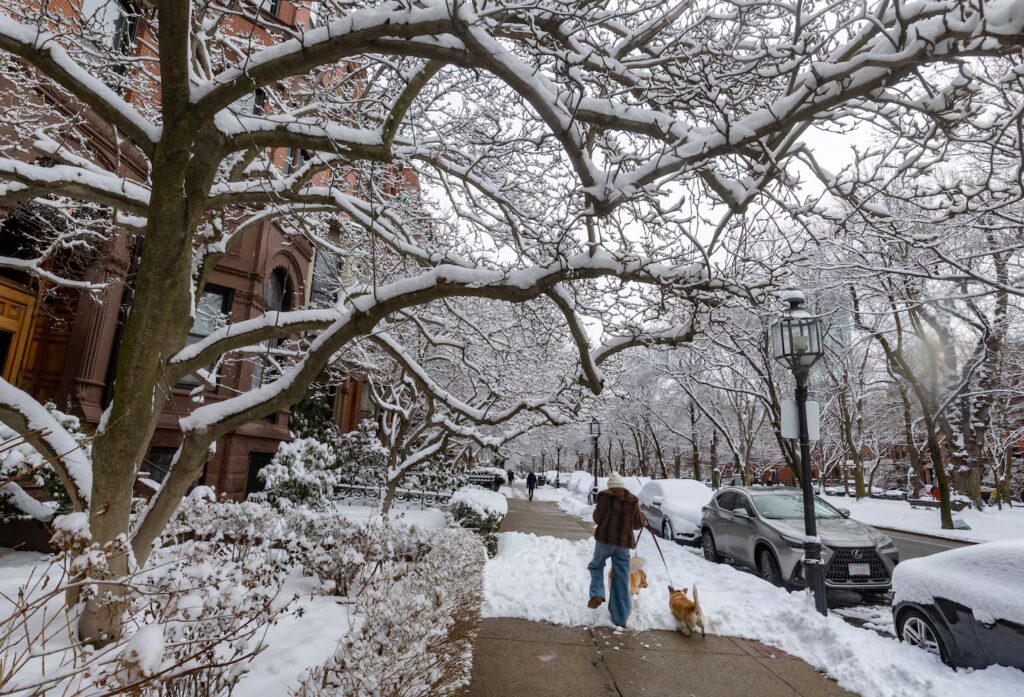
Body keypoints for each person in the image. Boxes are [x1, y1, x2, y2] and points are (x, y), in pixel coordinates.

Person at [587, 472, 644, 628]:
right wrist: (642, 516)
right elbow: (638, 524)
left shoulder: (604, 497)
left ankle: (597, 593)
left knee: (596, 565)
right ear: (622, 485)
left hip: (605, 540)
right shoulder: (632, 500)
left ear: (610, 486)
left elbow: (597, 518)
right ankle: (620, 617)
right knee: (621, 576)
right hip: (623, 543)